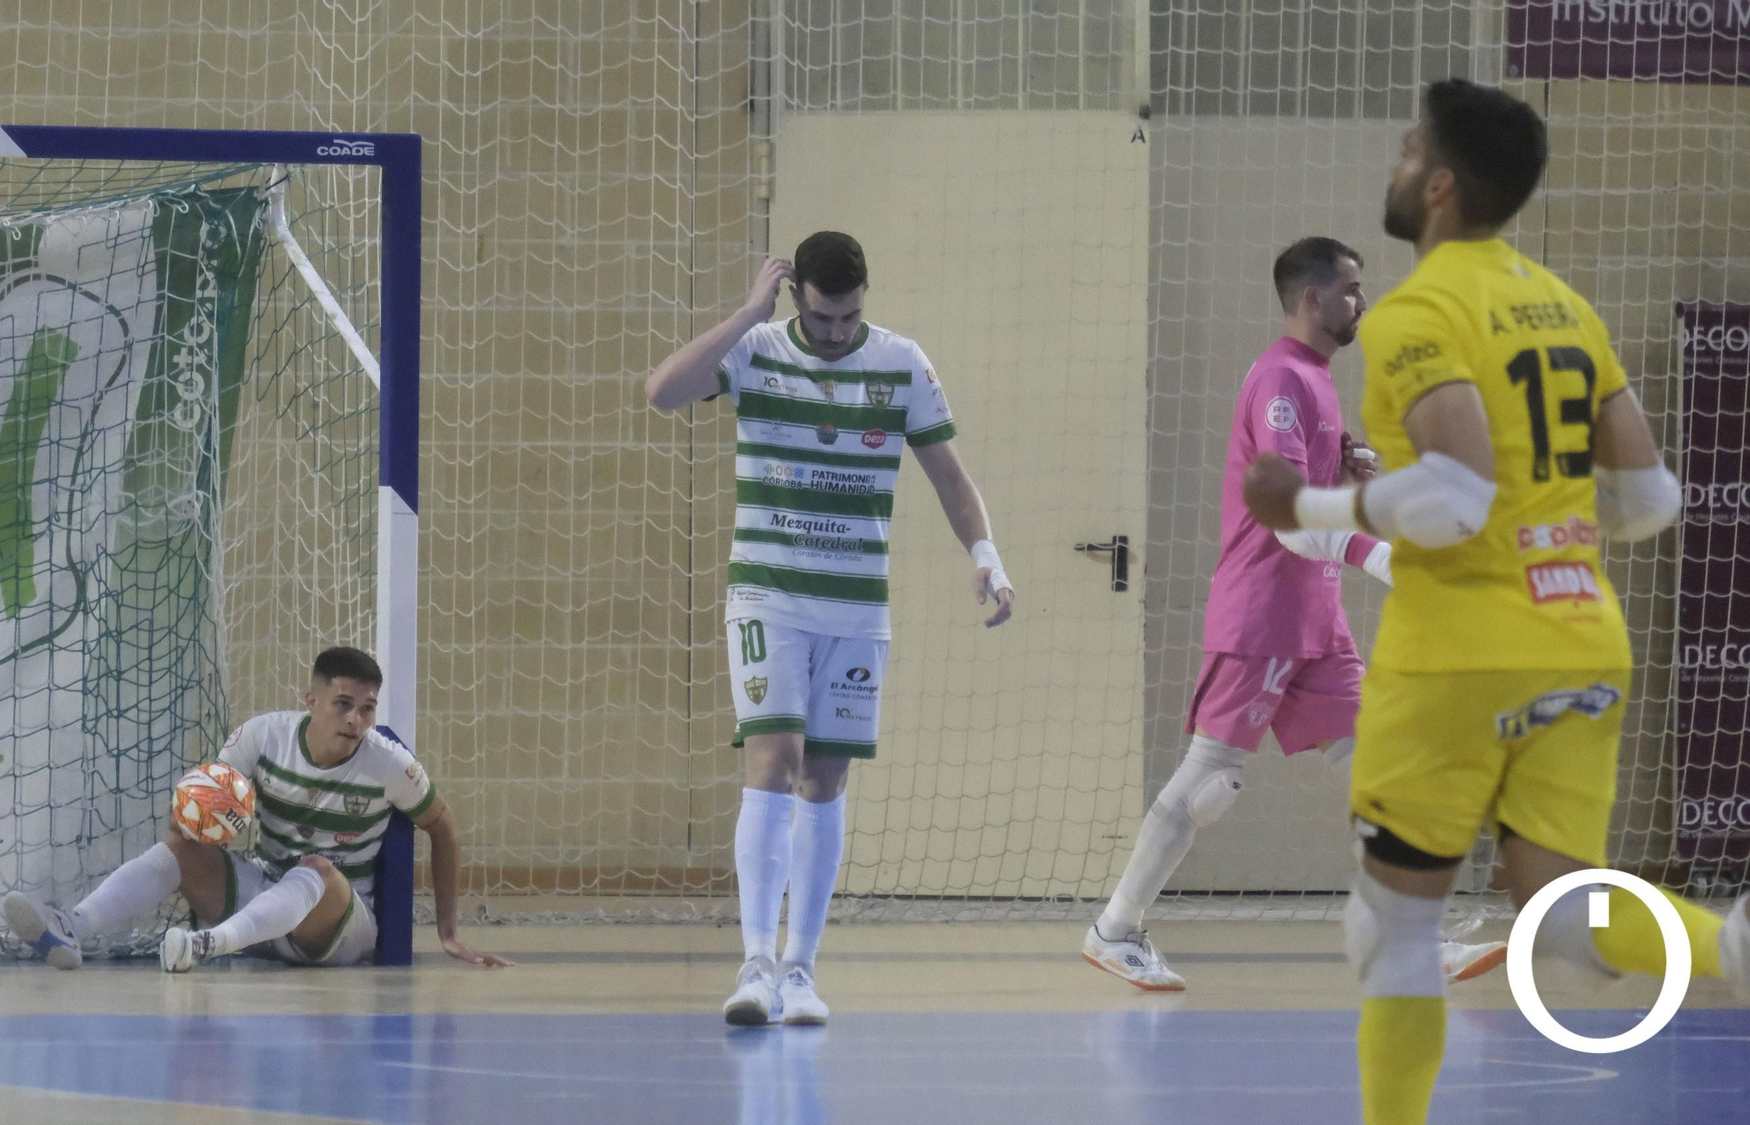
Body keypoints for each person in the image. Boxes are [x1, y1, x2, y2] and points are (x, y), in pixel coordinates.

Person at [1241, 78, 1750, 1124]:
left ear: (1436, 184)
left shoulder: (1420, 310)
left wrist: (1308, 499)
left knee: (1391, 928)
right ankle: (1731, 947)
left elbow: (1457, 494)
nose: (1391, 158)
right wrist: (1547, 526)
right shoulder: (1563, 306)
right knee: (1563, 921)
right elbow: (1650, 500)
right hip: (1580, 639)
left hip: (1458, 658)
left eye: (1404, 146)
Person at [1083, 236, 1505, 992]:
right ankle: (1114, 928)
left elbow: (1307, 492)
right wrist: (1380, 558)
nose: (1361, 301)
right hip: (1264, 611)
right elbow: (1282, 518)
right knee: (1212, 779)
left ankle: (1414, 938)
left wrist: (1346, 471)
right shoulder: (1281, 378)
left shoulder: (1315, 378)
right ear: (1310, 299)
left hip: (1316, 613)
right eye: (1349, 288)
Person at [645, 231, 1016, 1025]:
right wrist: (746, 314)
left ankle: (801, 970)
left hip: (855, 605)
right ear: (795, 298)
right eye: (822, 318)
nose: (837, 332)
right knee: (773, 762)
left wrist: (986, 553)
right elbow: (663, 392)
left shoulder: (902, 363)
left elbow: (951, 478)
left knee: (827, 778)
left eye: (849, 317)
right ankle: (753, 964)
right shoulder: (757, 350)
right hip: (768, 596)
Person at [0, 646, 511, 972]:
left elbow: (442, 826)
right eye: (343, 703)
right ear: (311, 700)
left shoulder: (388, 764)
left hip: (335, 926)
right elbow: (205, 800)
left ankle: (206, 946)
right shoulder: (263, 736)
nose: (356, 718)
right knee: (180, 847)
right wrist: (195, 819)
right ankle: (71, 928)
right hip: (262, 898)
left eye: (367, 708)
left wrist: (448, 933)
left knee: (316, 868)